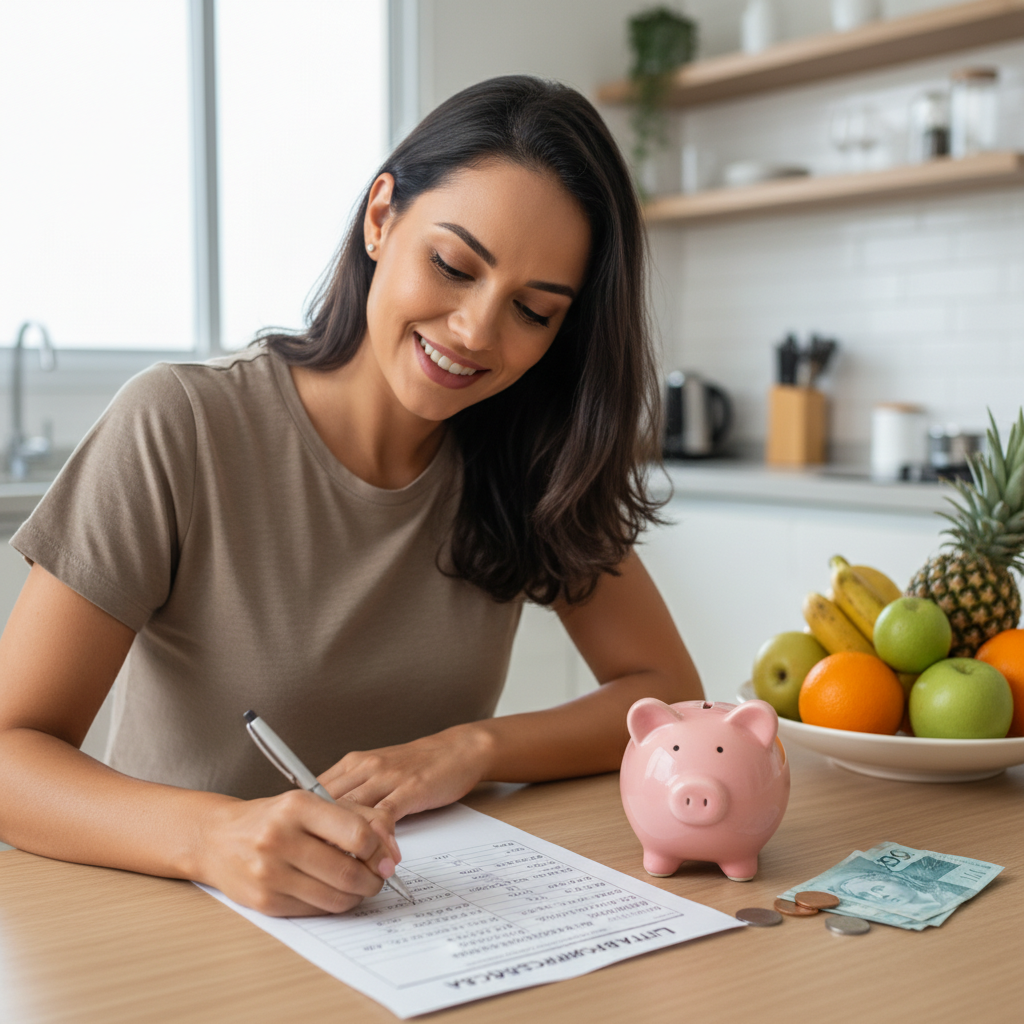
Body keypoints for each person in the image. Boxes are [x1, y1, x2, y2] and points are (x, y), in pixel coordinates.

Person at [0, 76, 702, 916]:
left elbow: (664, 692)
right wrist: (214, 838)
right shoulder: (181, 422)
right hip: (177, 927)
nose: (476, 331)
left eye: (532, 311)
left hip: (409, 932)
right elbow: (10, 754)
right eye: (452, 265)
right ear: (380, 218)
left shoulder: (531, 460)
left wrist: (472, 748)